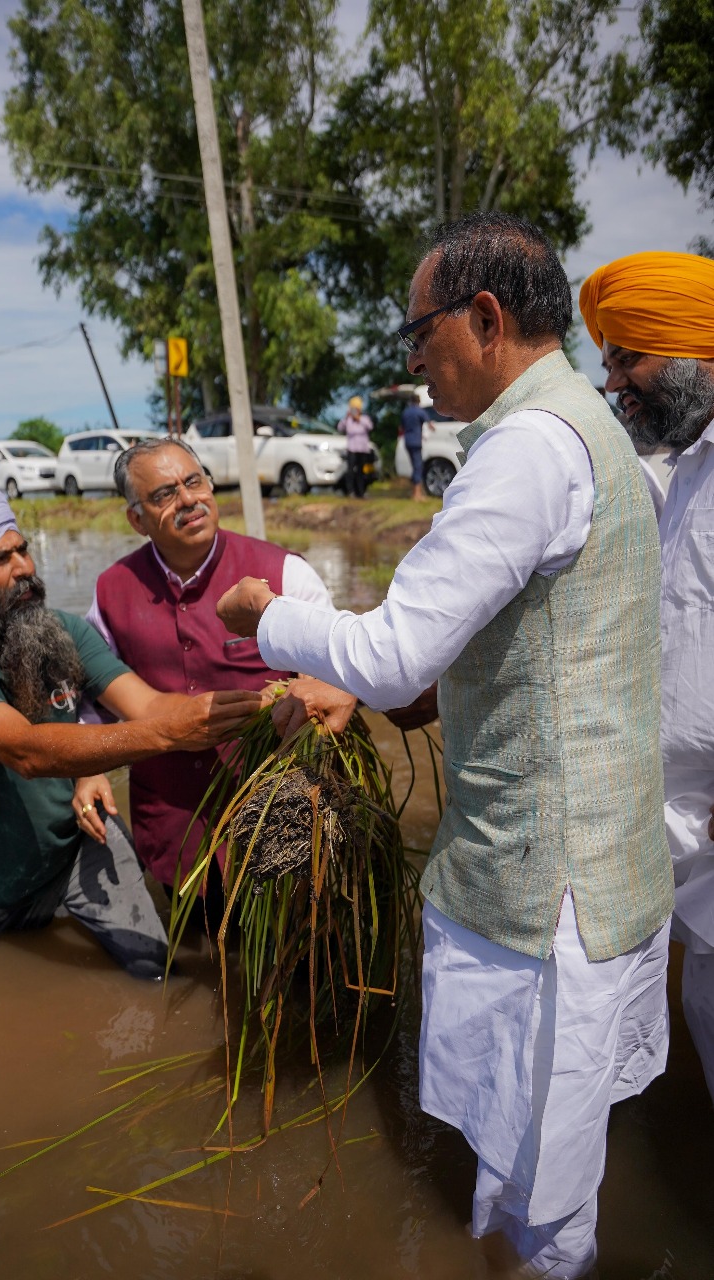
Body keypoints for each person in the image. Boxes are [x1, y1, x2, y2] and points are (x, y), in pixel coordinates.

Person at [216, 211, 674, 1279]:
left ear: (485, 316)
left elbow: (390, 648)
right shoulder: (590, 428)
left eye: (419, 334)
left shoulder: (524, 446)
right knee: (534, 1160)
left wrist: (266, 615)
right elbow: (514, 641)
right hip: (598, 863)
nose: (413, 361)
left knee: (544, 1187)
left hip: (544, 883)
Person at [0, 486, 264, 978]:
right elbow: (27, 751)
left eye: (22, 549)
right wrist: (169, 735)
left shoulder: (63, 632)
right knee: (4, 991)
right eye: (0, 559)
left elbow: (149, 705)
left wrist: (252, 707)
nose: (24, 567)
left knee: (153, 965)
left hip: (82, 838)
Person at [78, 437, 354, 902]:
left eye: (195, 481)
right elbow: (95, 693)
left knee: (288, 957)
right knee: (187, 952)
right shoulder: (111, 591)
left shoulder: (284, 574)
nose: (188, 500)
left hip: (280, 822)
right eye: (164, 494)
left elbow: (341, 675)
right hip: (169, 826)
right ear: (136, 519)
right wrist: (89, 768)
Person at [580, 250, 714, 1104]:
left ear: (694, 346)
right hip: (689, 840)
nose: (612, 382)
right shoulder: (683, 470)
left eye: (627, 357)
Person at [336, 395, 374, 497]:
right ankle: (350, 491)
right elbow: (340, 428)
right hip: (352, 448)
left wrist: (358, 419)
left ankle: (361, 492)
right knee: (350, 470)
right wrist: (346, 417)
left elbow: (370, 427)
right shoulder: (348, 420)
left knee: (361, 471)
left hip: (362, 449)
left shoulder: (364, 418)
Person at [400, 392, 433, 500]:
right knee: (418, 466)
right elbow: (430, 424)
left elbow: (401, 428)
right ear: (419, 401)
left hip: (407, 441)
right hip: (416, 441)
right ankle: (417, 494)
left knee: (414, 466)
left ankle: (415, 492)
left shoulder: (406, 412)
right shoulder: (420, 411)